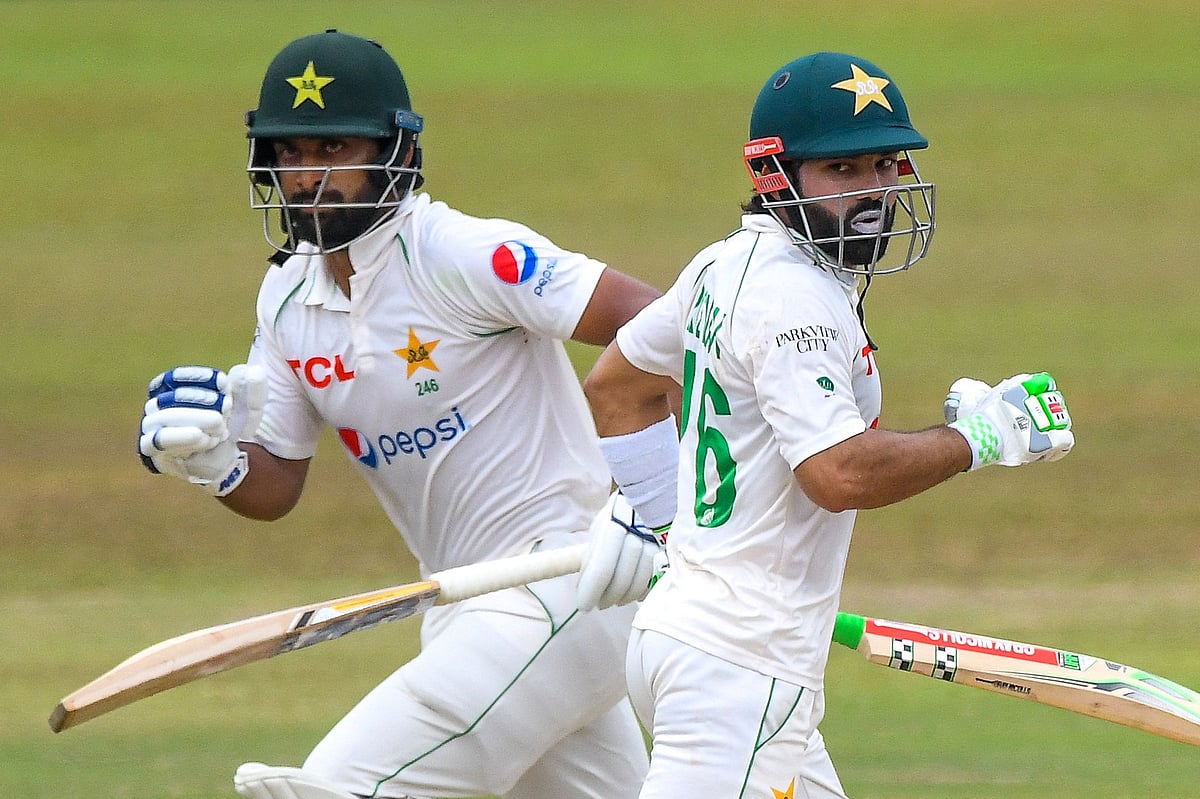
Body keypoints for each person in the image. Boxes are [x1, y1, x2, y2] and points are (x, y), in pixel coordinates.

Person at [137, 29, 664, 799]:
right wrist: (217, 464)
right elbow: (276, 481)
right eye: (290, 153)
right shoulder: (286, 298)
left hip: (577, 580)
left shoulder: (463, 254)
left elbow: (671, 328)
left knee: (343, 784)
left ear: (398, 153)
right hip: (459, 606)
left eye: (334, 149)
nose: (307, 176)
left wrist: (654, 498)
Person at [578, 52, 1076, 798]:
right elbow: (838, 473)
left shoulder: (723, 265)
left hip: (703, 647)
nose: (873, 190)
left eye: (883, 164)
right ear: (773, 176)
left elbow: (617, 388)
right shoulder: (794, 298)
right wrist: (983, 437)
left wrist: (668, 532)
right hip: (740, 671)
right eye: (842, 170)